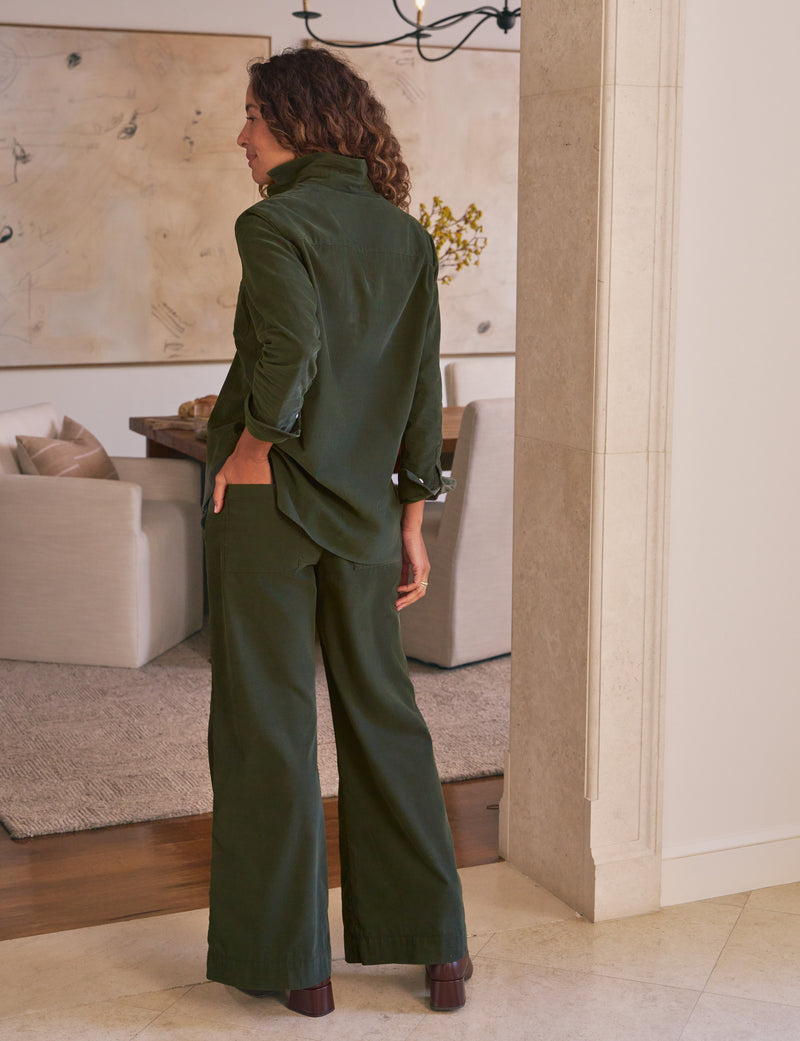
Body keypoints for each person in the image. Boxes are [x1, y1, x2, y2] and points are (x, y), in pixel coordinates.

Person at [203, 46, 471, 1018]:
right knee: (384, 715)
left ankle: (296, 968)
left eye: (251, 115)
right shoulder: (405, 236)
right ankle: (436, 949)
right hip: (364, 509)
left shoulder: (271, 221)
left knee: (266, 723)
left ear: (295, 120)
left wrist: (249, 450)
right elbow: (420, 386)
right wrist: (413, 519)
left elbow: (292, 348)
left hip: (269, 505)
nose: (240, 136)